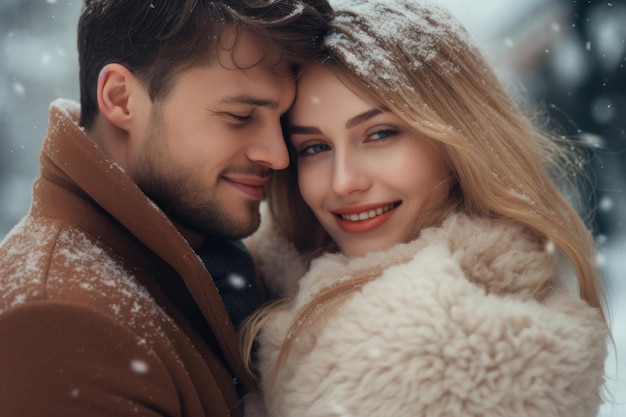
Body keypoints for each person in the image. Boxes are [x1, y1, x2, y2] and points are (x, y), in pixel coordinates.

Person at [241, 1, 610, 416]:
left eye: (379, 134)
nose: (344, 182)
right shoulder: (262, 279)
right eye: (315, 147)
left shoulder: (455, 357)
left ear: (456, 140)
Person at [0, 0, 332, 416]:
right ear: (120, 99)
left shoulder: (211, 253)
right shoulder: (58, 325)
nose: (279, 156)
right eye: (240, 115)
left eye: (282, 121)